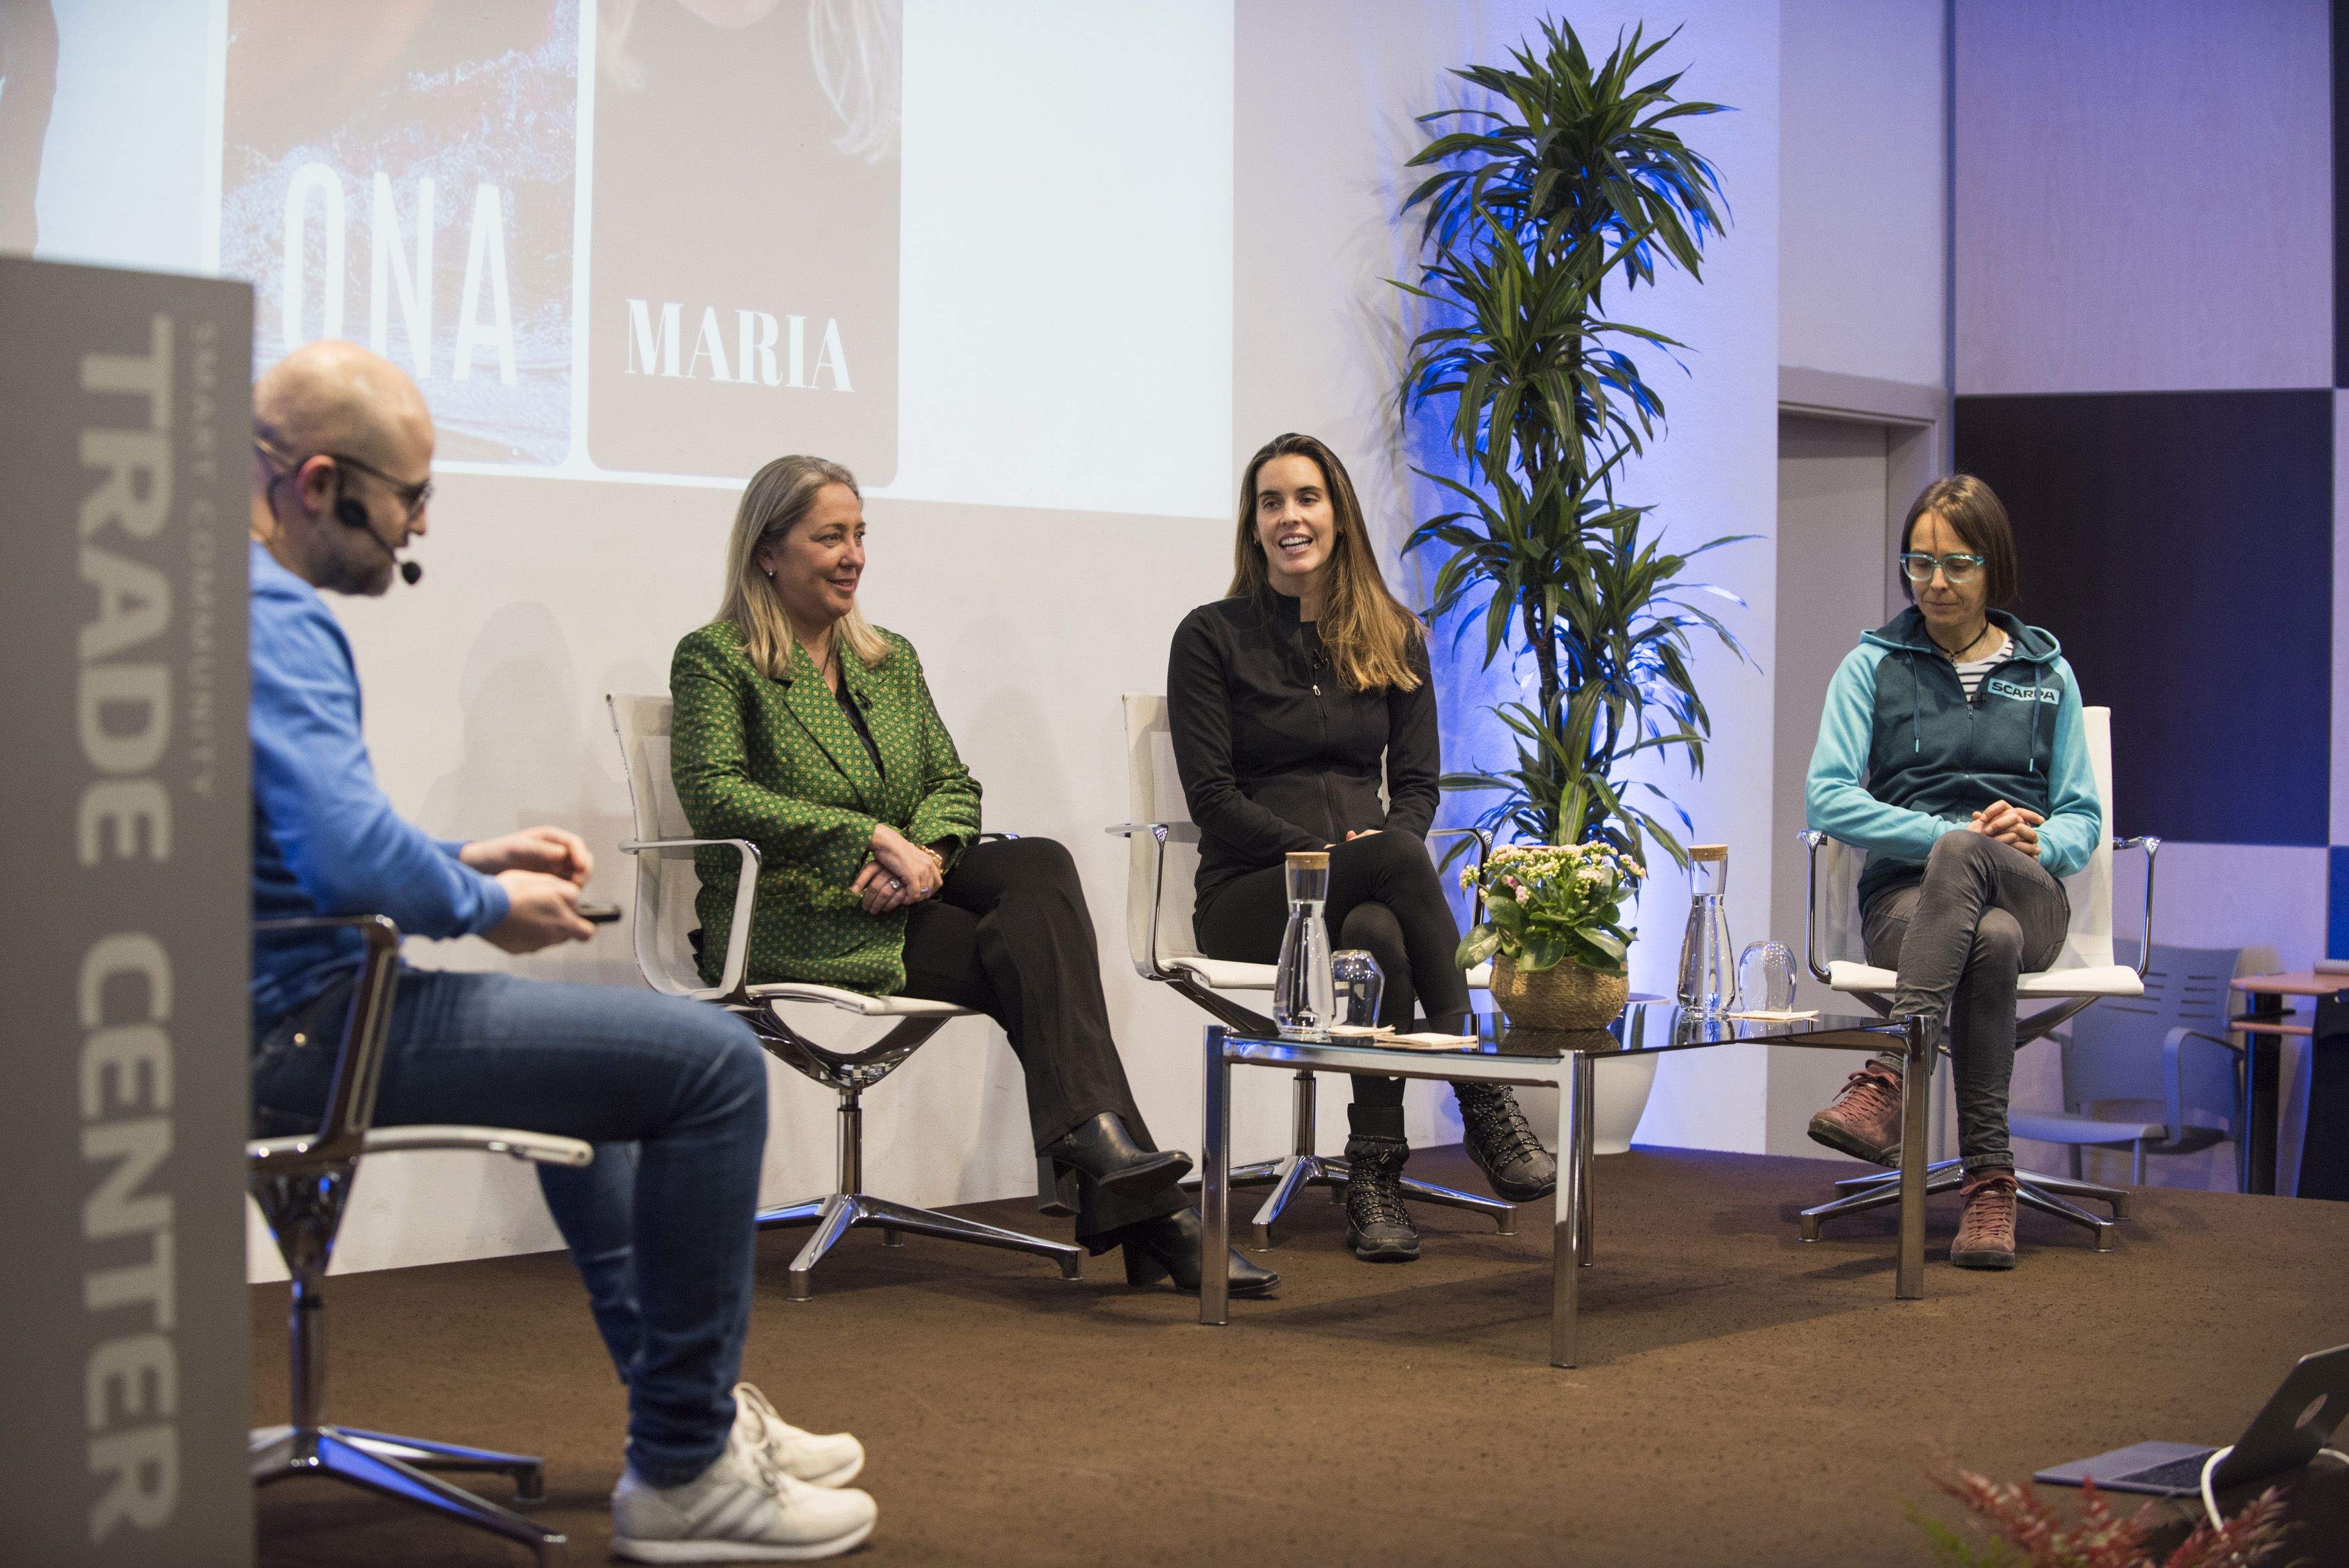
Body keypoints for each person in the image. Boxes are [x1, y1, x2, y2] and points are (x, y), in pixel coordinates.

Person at [247, 341, 878, 1562]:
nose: (418, 527)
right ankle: (686, 1471)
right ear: (320, 483)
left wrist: (464, 856)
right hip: (301, 1027)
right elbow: (345, 860)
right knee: (708, 1065)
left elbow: (291, 846)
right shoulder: (275, 619)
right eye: (408, 498)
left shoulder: (198, 600)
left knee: (609, 1091)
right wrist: (482, 903)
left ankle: (691, 1418)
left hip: (252, 1012)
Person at [667, 454, 1275, 1297]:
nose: (853, 555)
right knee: (1022, 951)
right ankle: (1149, 1211)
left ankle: (1117, 1173)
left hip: (901, 898)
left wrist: (923, 857)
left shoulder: (888, 658)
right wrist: (869, 838)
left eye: (859, 534)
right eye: (830, 537)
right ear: (768, 551)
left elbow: (953, 785)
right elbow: (715, 793)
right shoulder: (715, 658)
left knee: (1040, 864)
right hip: (791, 914)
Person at [1167, 432, 1557, 1265]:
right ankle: (1481, 1093)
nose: (1290, 517)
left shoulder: (1392, 635)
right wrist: (1328, 852)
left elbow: (1416, 786)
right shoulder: (1210, 636)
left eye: (1306, 498)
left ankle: (1374, 1174)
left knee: (1376, 929)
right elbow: (1213, 800)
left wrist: (1382, 845)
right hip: (1251, 896)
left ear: (1338, 515)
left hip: (1369, 886)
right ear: (1253, 524)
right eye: (1271, 502)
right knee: (1393, 866)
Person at [1803, 473, 2102, 1270]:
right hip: (1904, 905)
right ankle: (1990, 1185)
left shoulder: (2048, 673)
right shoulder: (1871, 665)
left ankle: (1891, 1072)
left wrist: (2038, 840)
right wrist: (1945, 835)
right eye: (1920, 562)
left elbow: (2083, 818)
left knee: (1983, 879)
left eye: (1958, 564)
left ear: (1992, 565)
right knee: (1988, 936)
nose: (1936, 582)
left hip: (2030, 893)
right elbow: (1827, 796)